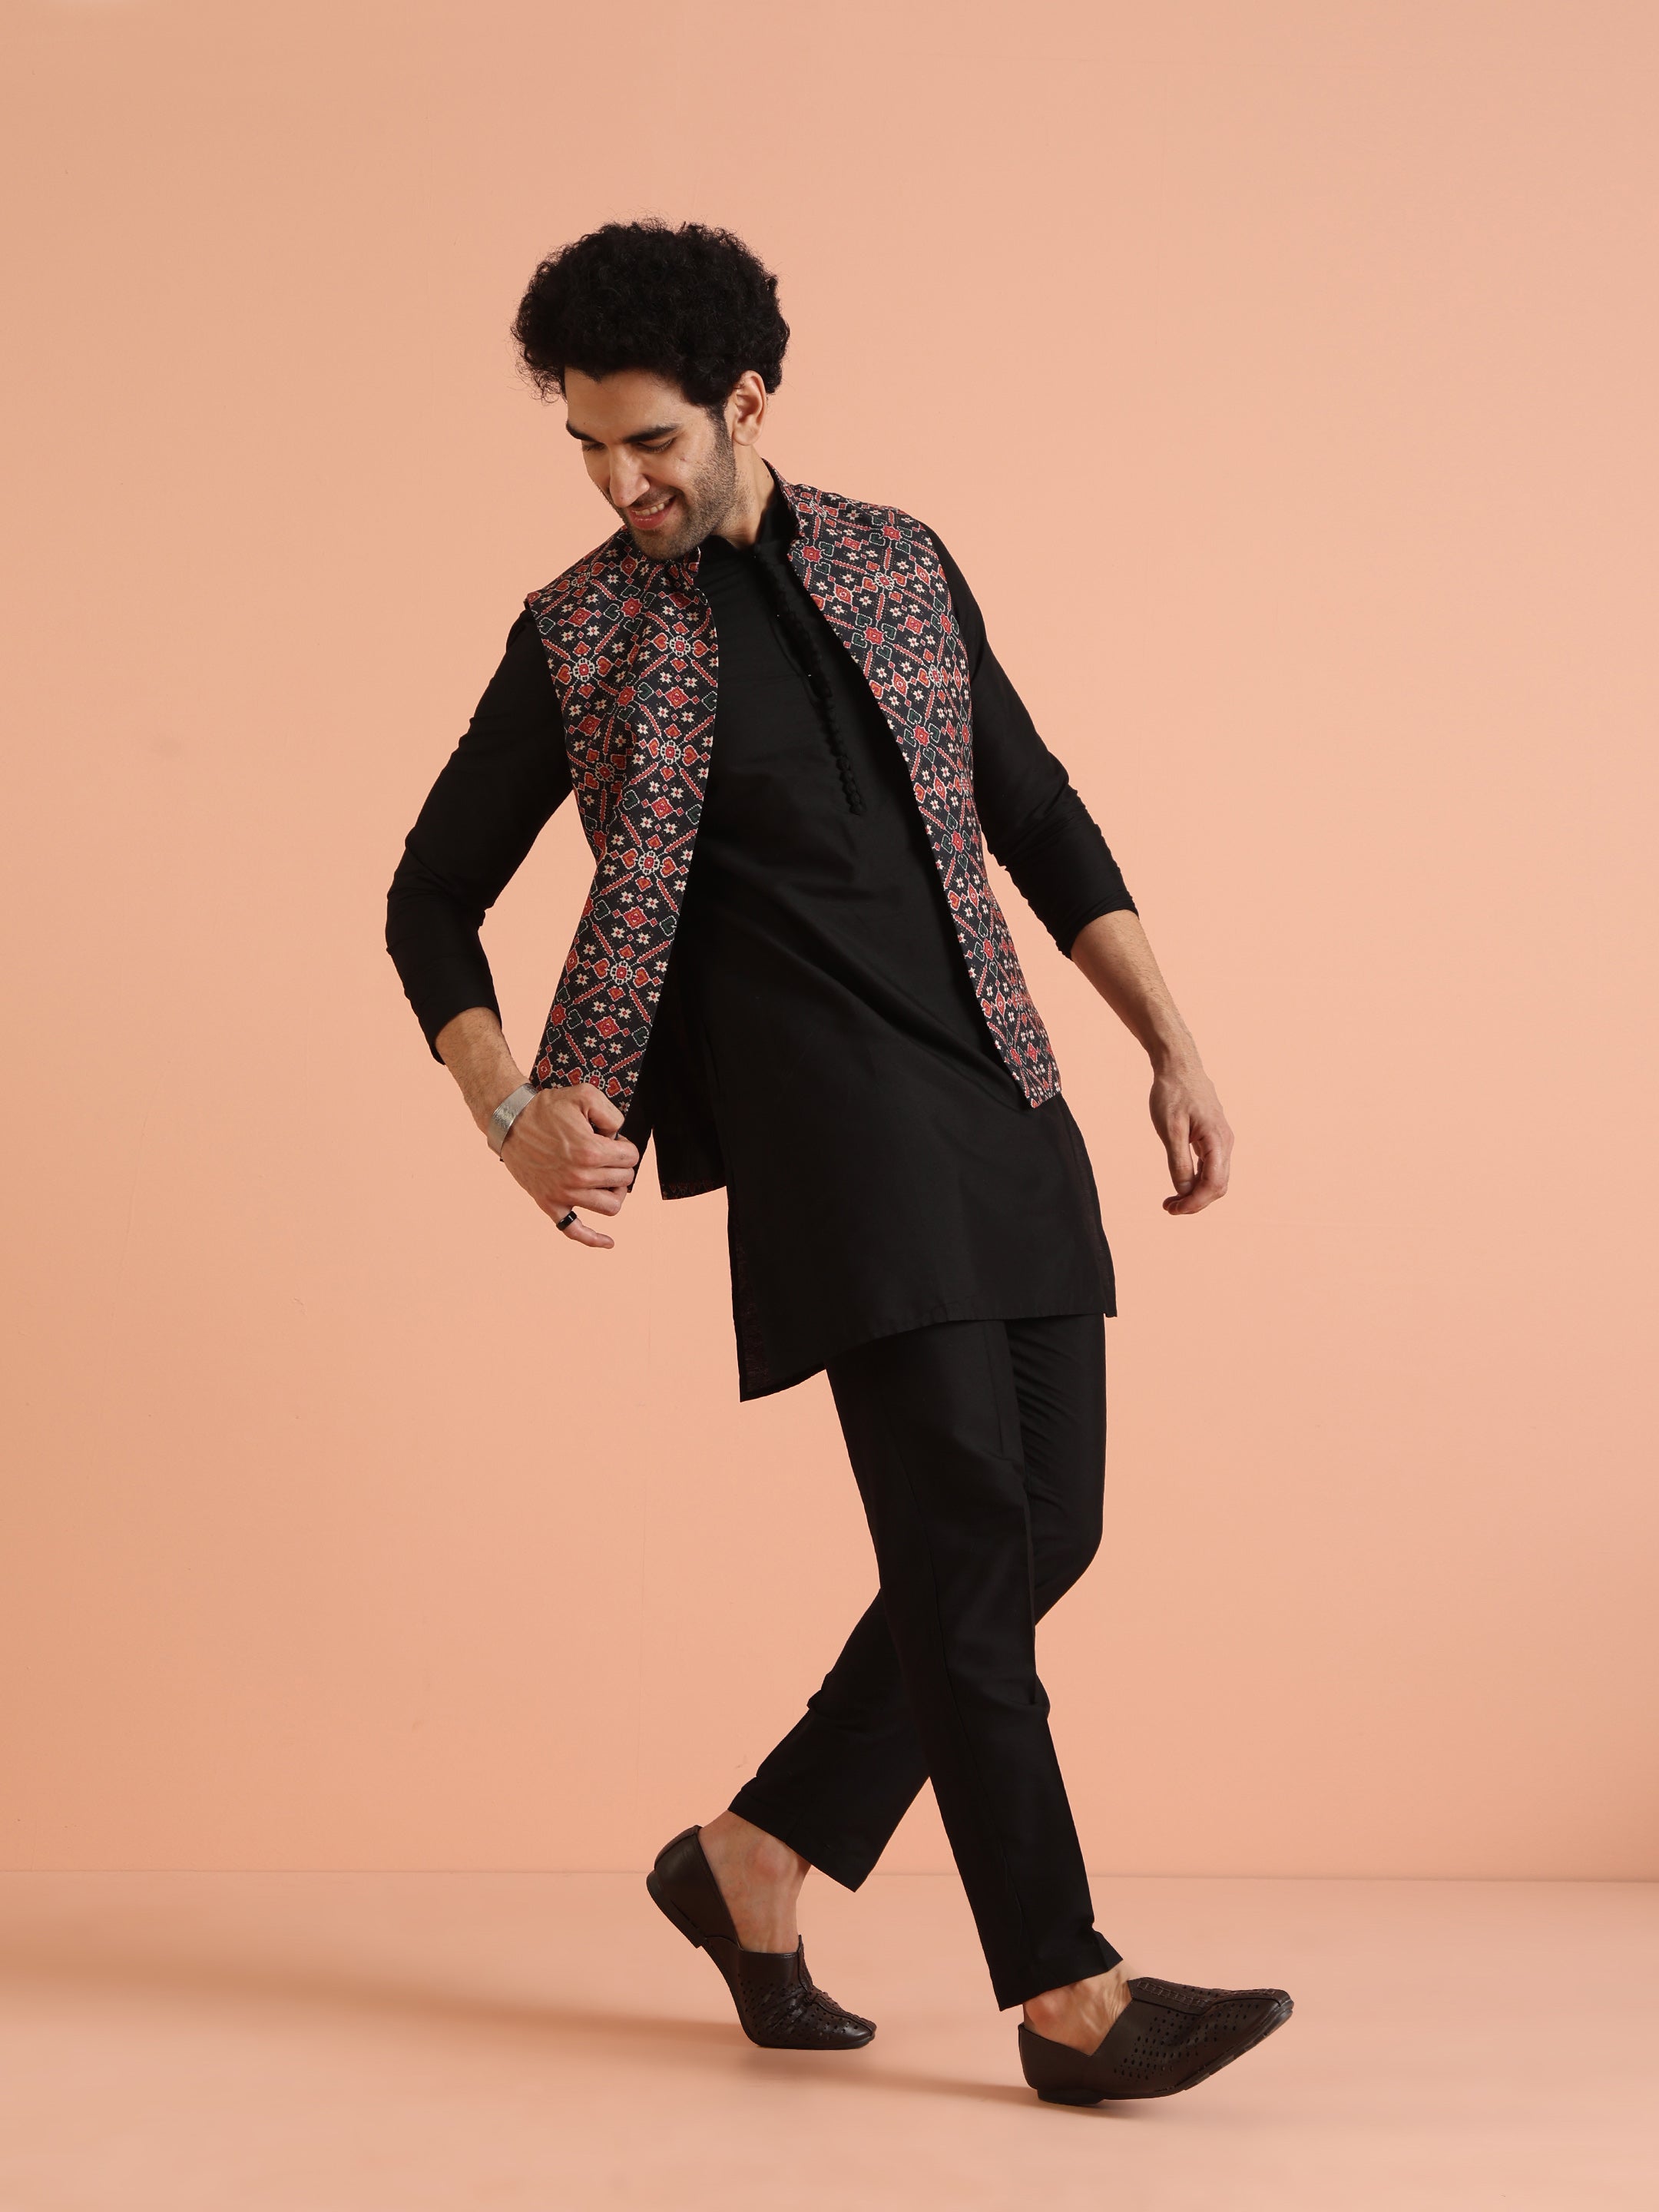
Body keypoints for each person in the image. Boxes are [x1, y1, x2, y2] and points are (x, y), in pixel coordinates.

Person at [385, 219, 1292, 2106]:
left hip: (1000, 1094)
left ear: (746, 402)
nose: (618, 483)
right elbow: (428, 894)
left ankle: (756, 1854)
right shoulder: (579, 634)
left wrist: (1171, 1041)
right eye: (585, 447)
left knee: (1049, 1530)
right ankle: (1068, 1992)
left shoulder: (899, 560)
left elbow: (1035, 808)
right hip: (829, 1139)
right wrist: (505, 1107)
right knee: (963, 1539)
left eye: (650, 441)